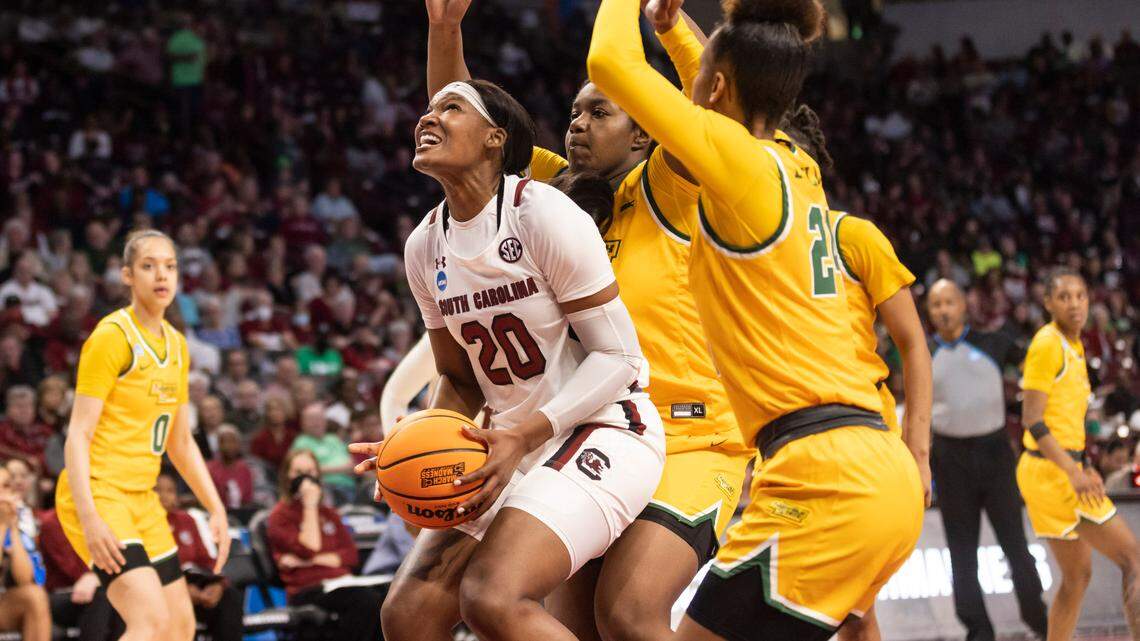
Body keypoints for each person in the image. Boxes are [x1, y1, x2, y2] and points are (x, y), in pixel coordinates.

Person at [587, 0, 924, 638]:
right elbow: (722, 90)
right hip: (869, 463)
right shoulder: (794, 164)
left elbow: (608, 62)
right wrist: (673, 30)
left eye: (701, 80)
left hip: (823, 477)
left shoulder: (738, 164)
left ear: (714, 87)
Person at [425, 3, 752, 637]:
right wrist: (445, 29)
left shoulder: (670, 184)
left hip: (691, 437)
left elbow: (714, 107)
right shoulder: (554, 193)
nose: (578, 124)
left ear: (644, 132)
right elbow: (465, 132)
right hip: (591, 429)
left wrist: (668, 29)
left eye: (600, 112)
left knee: (628, 614)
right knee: (566, 621)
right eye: (574, 112)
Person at [353, 77, 665, 641]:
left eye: (451, 108)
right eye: (426, 109)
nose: (428, 118)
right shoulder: (424, 246)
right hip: (506, 446)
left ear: (495, 138)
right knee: (406, 616)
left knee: (491, 597)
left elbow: (619, 355)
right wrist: (418, 443)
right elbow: (457, 376)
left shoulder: (539, 212)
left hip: (607, 427)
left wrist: (522, 436)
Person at [55, 229, 231, 641]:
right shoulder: (111, 337)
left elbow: (181, 443)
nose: (161, 275)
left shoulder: (177, 345)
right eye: (148, 266)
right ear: (127, 276)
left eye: (169, 266)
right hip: (99, 492)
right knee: (148, 622)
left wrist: (216, 509)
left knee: (181, 627)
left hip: (143, 499)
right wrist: (89, 516)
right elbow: (77, 434)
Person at [1017, 268, 1140, 641]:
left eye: (1080, 295)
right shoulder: (1047, 344)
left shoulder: (1075, 344)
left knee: (1077, 577)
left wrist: (1085, 465)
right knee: (1133, 560)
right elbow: (1033, 421)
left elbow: (1065, 420)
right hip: (1051, 471)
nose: (1074, 303)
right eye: (1064, 296)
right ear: (1048, 303)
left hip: (1053, 469)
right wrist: (1073, 470)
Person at [926, 278, 1048, 641]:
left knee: (1017, 546)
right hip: (949, 460)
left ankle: (1039, 621)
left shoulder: (994, 343)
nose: (944, 310)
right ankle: (978, 631)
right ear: (929, 312)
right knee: (962, 555)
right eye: (936, 304)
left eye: (950, 302)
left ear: (964, 305)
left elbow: (1036, 364)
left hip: (996, 456)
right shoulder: (922, 352)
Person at [265, 450, 381, 641]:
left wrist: (307, 562)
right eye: (298, 472)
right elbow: (309, 547)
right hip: (308, 589)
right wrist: (309, 506)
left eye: (310, 471)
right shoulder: (280, 516)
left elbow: (351, 556)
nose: (306, 478)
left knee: (386, 595)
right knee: (365, 600)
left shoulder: (329, 513)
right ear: (286, 477)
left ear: (318, 475)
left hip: (341, 583)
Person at [156, 473, 243, 641]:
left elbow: (206, 560)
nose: (164, 495)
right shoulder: (142, 524)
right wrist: (180, 590)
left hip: (195, 586)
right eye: (157, 489)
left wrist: (217, 584)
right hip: (164, 590)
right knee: (176, 603)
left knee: (229, 597)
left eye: (170, 490)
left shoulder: (186, 520)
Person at [40, 509, 122, 641]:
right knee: (102, 594)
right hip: (61, 593)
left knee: (121, 594)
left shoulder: (104, 519)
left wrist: (98, 577)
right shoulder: (53, 522)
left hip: (97, 586)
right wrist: (98, 575)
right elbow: (73, 569)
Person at [0, 463, 50, 641]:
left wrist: (10, 526)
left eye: (6, 485)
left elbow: (25, 578)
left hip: (4, 601)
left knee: (34, 595)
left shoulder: (17, 516)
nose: (5, 493)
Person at [290, 403, 355, 505]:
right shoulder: (301, 442)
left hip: (350, 487)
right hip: (324, 489)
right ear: (303, 423)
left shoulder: (333, 439)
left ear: (325, 421)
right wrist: (341, 469)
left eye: (319, 419)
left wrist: (325, 469)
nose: (316, 423)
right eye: (311, 419)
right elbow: (305, 471)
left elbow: (352, 466)